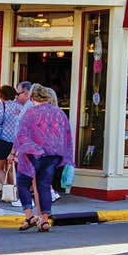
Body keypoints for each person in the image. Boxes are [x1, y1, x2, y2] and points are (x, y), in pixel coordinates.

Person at [13, 85, 74, 232]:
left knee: (22, 182)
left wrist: (15, 152)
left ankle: (29, 216)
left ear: (33, 98)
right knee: (44, 186)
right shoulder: (60, 113)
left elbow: (21, 135)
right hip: (53, 155)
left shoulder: (30, 113)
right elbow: (67, 136)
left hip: (33, 154)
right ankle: (45, 220)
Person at [0, 83, 28, 202]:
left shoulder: (2, 104)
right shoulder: (21, 106)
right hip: (18, 142)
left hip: (4, 140)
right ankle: (17, 192)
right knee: (12, 169)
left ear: (2, 95)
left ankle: (10, 191)